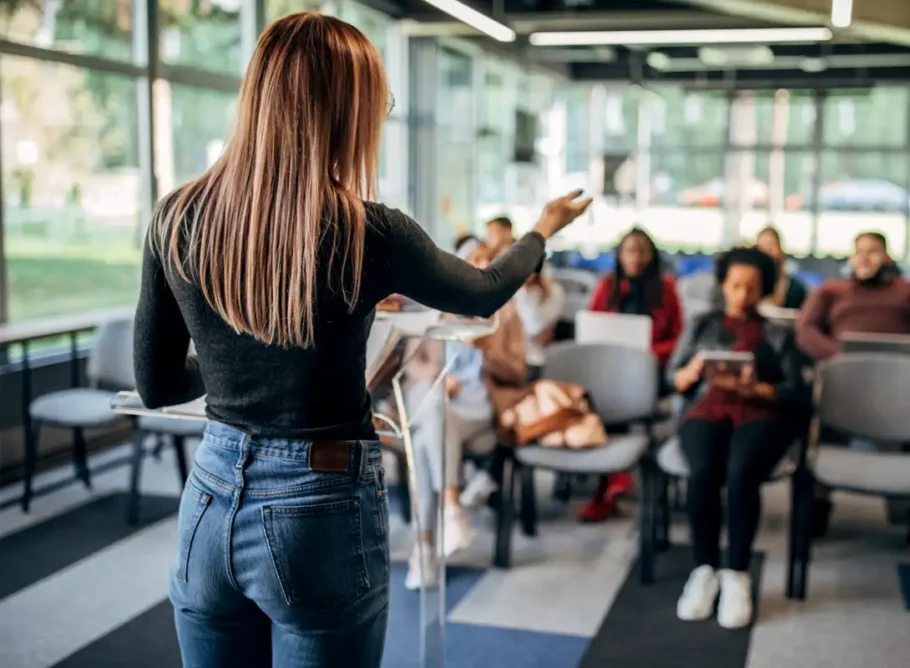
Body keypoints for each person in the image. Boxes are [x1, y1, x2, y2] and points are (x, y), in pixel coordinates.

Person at [133, 13, 591, 667]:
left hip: (208, 495)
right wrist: (544, 227)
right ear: (346, 111)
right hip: (317, 505)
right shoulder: (368, 230)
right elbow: (486, 288)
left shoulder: (177, 215)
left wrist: (235, 367)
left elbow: (156, 385)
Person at [669, 247, 809, 628]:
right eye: (734, 286)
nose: (741, 295)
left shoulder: (778, 332)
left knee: (741, 471)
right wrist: (694, 370)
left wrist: (758, 389)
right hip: (706, 408)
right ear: (723, 285)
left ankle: (737, 573)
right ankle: (704, 568)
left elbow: (797, 392)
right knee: (703, 470)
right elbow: (673, 379)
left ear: (762, 289)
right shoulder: (701, 324)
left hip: (761, 412)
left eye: (750, 287)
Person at [795, 231, 910, 547]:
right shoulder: (830, 291)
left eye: (874, 251)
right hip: (845, 380)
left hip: (902, 382)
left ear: (889, 257)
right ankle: (819, 501)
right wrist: (839, 356)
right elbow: (805, 331)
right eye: (859, 251)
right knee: (827, 423)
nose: (864, 257)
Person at [402, 241, 527, 590]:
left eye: (488, 264)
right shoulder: (435, 309)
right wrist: (440, 380)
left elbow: (518, 372)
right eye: (474, 262)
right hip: (439, 406)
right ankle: (451, 510)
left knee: (427, 441)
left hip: (479, 411)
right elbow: (414, 366)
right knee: (433, 424)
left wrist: (487, 353)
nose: (479, 270)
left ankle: (425, 547)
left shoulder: (506, 313)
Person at [582, 228, 684, 522]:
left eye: (641, 251)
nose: (635, 258)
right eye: (629, 251)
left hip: (652, 371)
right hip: (608, 371)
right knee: (598, 397)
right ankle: (611, 480)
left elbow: (678, 339)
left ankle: (613, 481)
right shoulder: (607, 287)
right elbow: (592, 329)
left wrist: (645, 352)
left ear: (651, 256)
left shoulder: (666, 289)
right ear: (619, 255)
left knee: (621, 399)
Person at [513, 265, 565, 375]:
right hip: (502, 361)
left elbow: (540, 334)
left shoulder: (553, 292)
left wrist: (522, 294)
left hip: (532, 360)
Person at [754, 226, 807, 309]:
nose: (767, 251)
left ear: (780, 250)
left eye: (771, 246)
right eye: (761, 247)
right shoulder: (749, 287)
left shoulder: (797, 289)